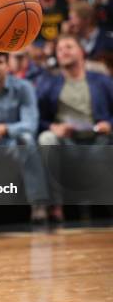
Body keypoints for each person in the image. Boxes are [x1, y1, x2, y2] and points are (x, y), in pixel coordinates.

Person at [37, 34, 113, 222]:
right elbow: (38, 118)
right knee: (46, 139)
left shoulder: (101, 80)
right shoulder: (49, 83)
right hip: (67, 139)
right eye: (60, 49)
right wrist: (53, 127)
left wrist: (109, 124)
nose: (63, 51)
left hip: (99, 137)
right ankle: (56, 206)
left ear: (82, 52)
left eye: (69, 47)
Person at [0, 50, 49, 224]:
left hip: (12, 143)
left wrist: (3, 129)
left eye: (0, 62)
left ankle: (38, 204)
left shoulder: (23, 87)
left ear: (8, 66)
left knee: (27, 139)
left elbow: (30, 125)